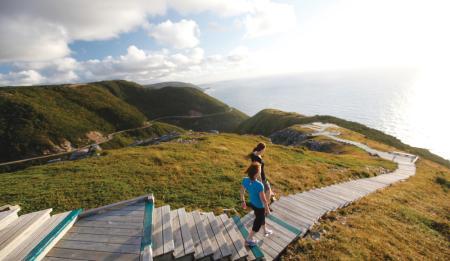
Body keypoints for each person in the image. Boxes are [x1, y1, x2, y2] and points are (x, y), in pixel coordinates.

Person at [240, 162, 273, 246]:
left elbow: (241, 192)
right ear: (256, 173)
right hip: (259, 207)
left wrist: (243, 201)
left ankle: (265, 230)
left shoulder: (245, 180)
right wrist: (267, 210)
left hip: (253, 204)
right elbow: (264, 200)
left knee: (260, 217)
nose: (260, 172)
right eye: (260, 170)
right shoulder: (259, 185)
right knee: (257, 223)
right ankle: (249, 239)